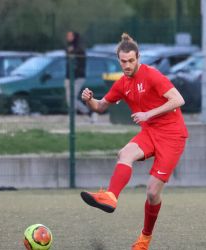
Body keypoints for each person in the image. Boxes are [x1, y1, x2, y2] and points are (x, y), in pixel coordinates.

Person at [80, 33, 188, 250]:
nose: (127, 65)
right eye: (123, 61)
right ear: (118, 60)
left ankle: (144, 239)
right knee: (125, 153)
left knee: (152, 193)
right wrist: (89, 100)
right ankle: (110, 197)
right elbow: (101, 107)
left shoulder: (152, 75)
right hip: (150, 132)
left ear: (138, 57)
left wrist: (148, 114)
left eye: (131, 61)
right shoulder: (122, 84)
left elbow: (178, 99)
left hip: (172, 135)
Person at [64, 31, 90, 116]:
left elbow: (79, 60)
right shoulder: (68, 47)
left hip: (78, 77)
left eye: (70, 36)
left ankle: (87, 112)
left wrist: (72, 52)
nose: (68, 37)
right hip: (69, 76)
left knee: (72, 97)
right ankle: (74, 115)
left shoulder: (79, 48)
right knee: (69, 98)